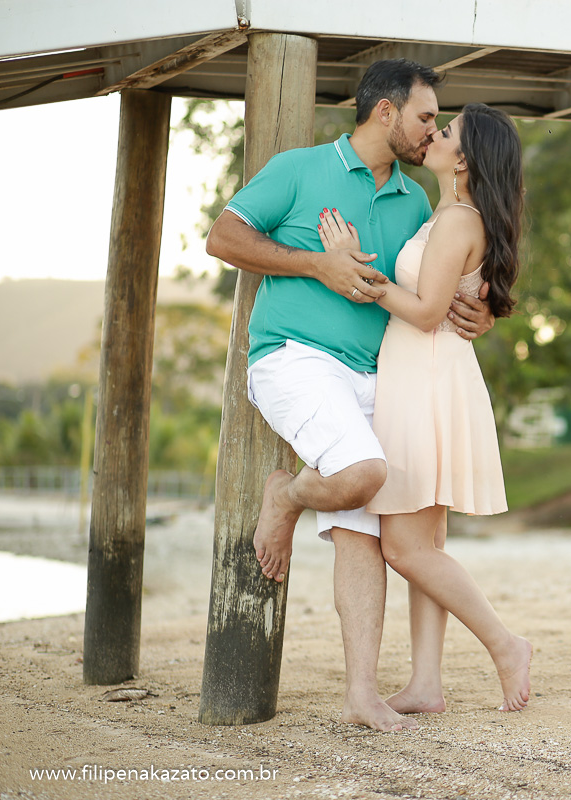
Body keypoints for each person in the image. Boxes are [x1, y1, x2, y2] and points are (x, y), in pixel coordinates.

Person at [205, 59, 495, 732]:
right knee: (363, 473)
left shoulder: (417, 201)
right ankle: (287, 495)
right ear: (386, 111)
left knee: (364, 530)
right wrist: (318, 264)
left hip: (380, 376)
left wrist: (479, 311)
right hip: (296, 357)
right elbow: (223, 237)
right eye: (426, 117)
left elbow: (433, 287)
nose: (432, 131)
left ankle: (362, 693)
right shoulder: (299, 168)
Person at [316, 103, 532, 713]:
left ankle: (505, 644)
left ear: (463, 159)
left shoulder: (458, 219)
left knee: (404, 548)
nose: (434, 133)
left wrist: (355, 271)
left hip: (426, 381)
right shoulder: (447, 214)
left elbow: (428, 311)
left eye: (448, 130)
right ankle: (426, 684)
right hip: (425, 376)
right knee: (426, 545)